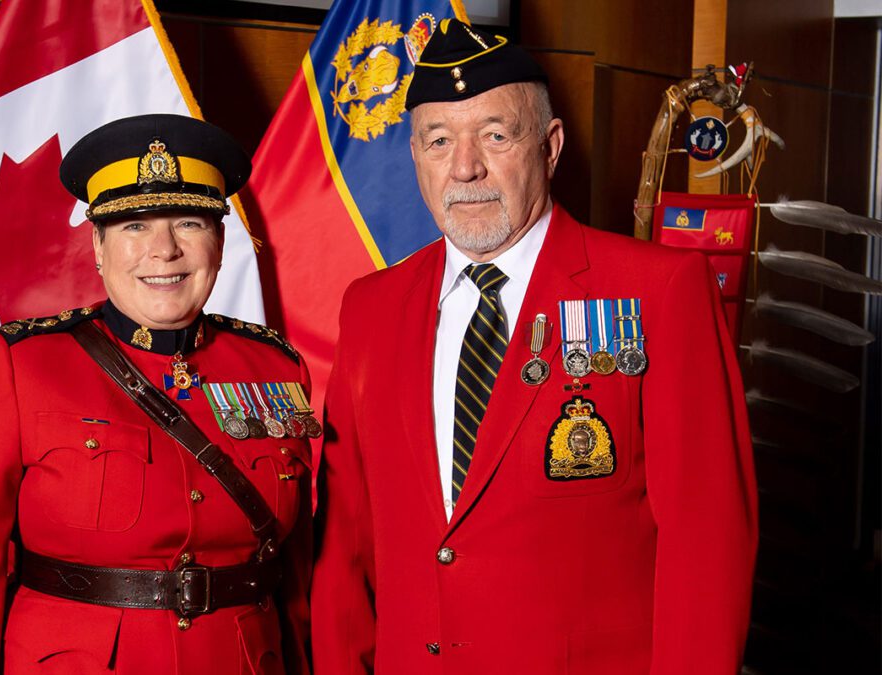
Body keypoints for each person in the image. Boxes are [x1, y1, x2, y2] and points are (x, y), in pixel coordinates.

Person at [311, 19, 757, 674]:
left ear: (549, 147)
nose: (465, 166)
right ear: (415, 157)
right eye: (439, 140)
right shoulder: (371, 308)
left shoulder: (657, 292)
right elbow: (345, 546)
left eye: (495, 135)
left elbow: (708, 540)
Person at [0, 114, 313, 674]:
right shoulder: (20, 365)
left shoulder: (276, 368)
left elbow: (299, 574)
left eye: (189, 223)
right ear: (97, 246)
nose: (164, 250)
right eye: (134, 226)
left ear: (220, 243)